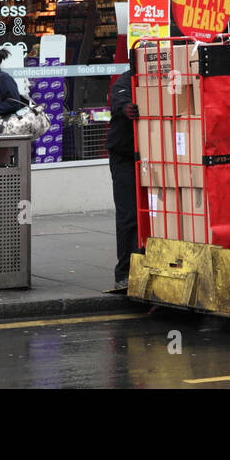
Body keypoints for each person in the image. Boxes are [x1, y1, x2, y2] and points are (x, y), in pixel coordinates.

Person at [107, 53, 139, 290]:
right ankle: (124, 272)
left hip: (151, 158)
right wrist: (127, 107)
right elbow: (119, 102)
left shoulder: (163, 80)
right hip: (125, 157)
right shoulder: (124, 81)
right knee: (128, 215)